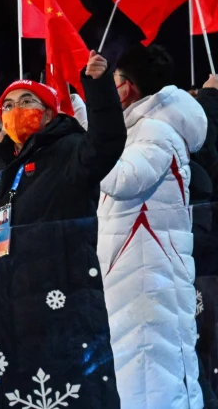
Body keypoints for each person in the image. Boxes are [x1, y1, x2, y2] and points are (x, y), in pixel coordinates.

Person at [0, 55, 125, 409]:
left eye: (27, 102)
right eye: (9, 105)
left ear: (49, 113)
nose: (17, 111)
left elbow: (106, 142)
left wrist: (98, 87)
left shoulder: (68, 150)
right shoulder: (6, 177)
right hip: (13, 326)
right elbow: (2, 247)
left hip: (65, 318)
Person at [99, 45, 206, 409]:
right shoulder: (136, 130)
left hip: (150, 275)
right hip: (130, 274)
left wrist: (94, 144)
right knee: (138, 370)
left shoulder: (155, 131)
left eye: (112, 83)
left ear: (126, 87)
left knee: (154, 372)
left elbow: (126, 179)